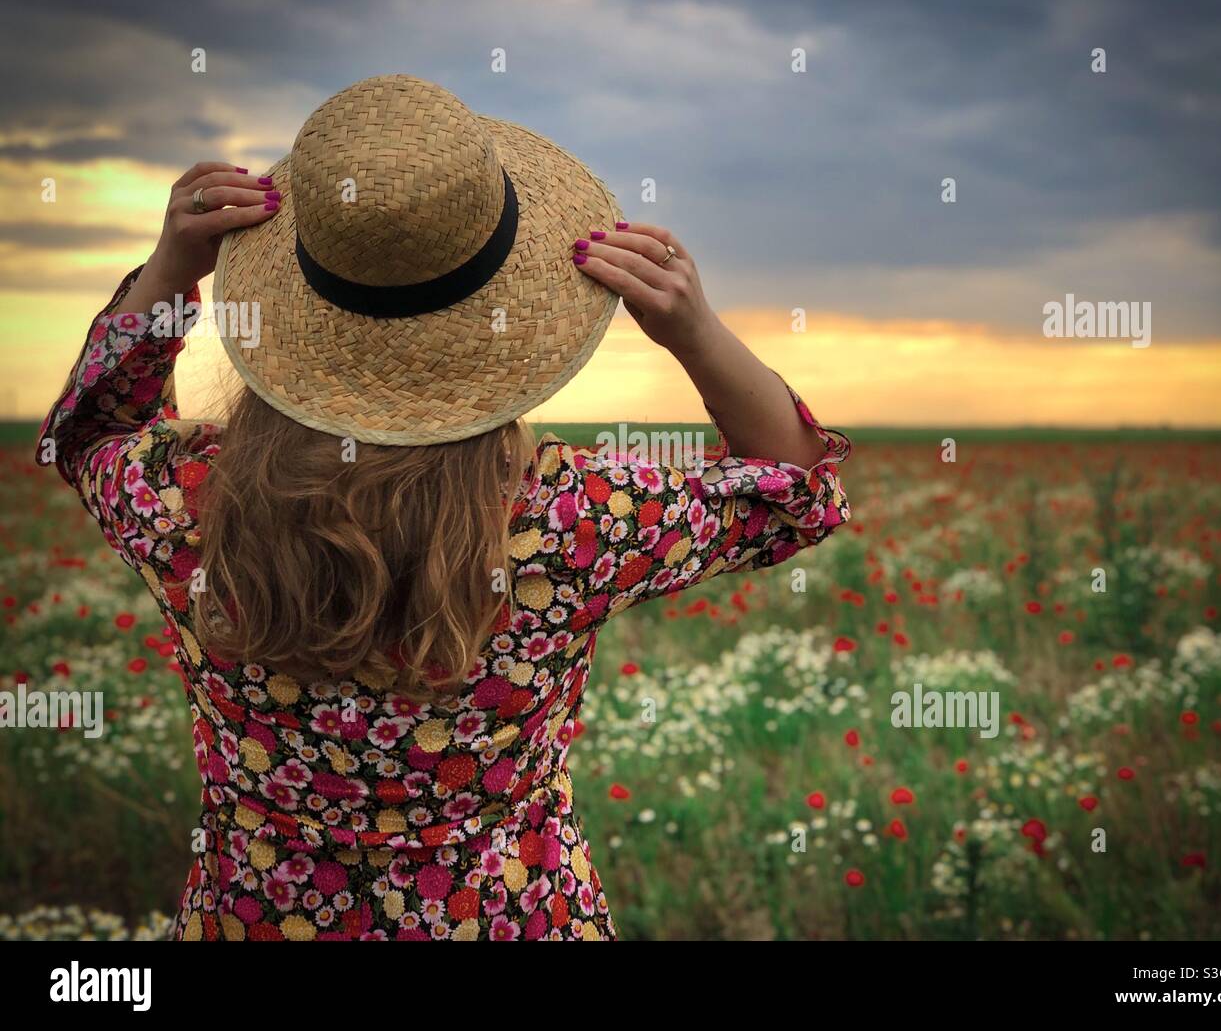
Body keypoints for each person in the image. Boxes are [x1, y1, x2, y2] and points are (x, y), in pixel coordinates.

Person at [37, 74, 852, 940]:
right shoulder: (574, 518)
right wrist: (696, 332)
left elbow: (86, 434)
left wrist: (169, 269)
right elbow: (796, 490)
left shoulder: (187, 504)